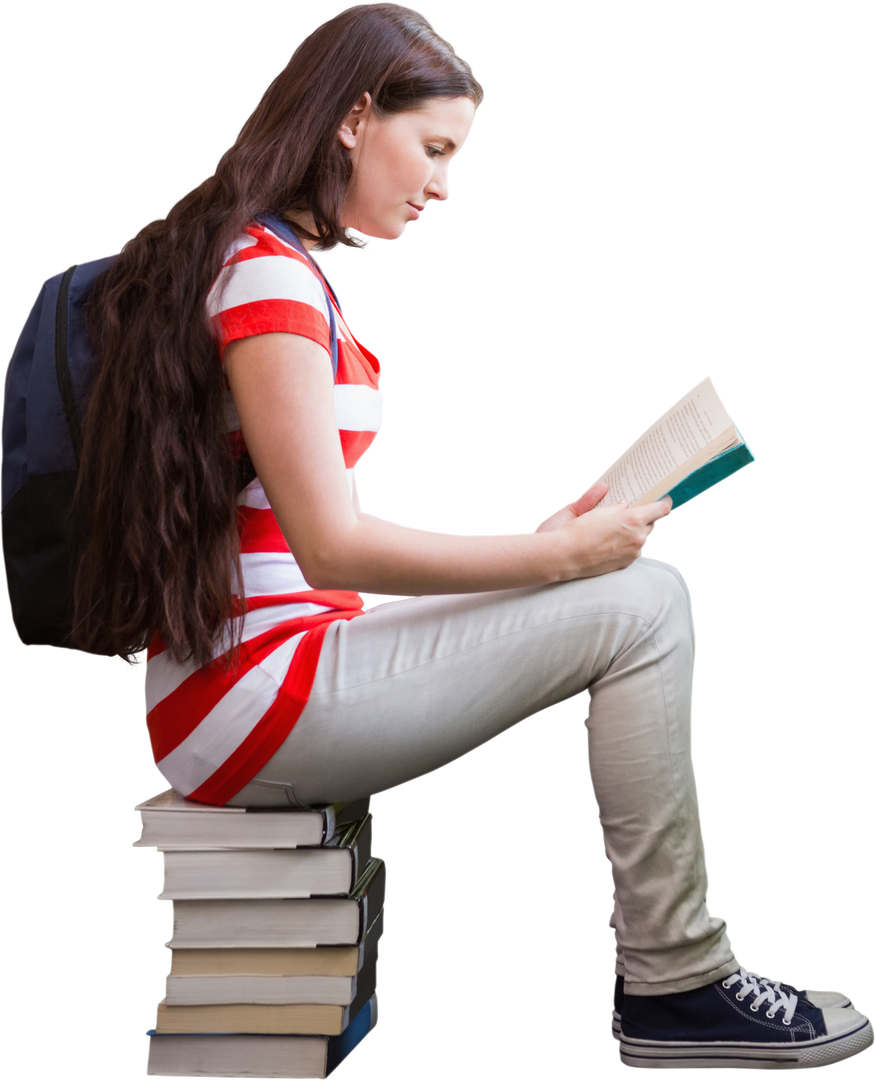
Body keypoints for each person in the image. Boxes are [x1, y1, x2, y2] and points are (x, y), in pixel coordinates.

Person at [69, 3, 872, 1071]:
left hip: (253, 678)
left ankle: (676, 980)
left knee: (613, 588)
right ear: (353, 117)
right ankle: (675, 982)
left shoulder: (254, 258)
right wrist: (549, 563)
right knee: (643, 604)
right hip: (253, 696)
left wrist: (539, 558)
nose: (444, 186)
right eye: (434, 149)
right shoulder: (263, 274)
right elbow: (331, 547)